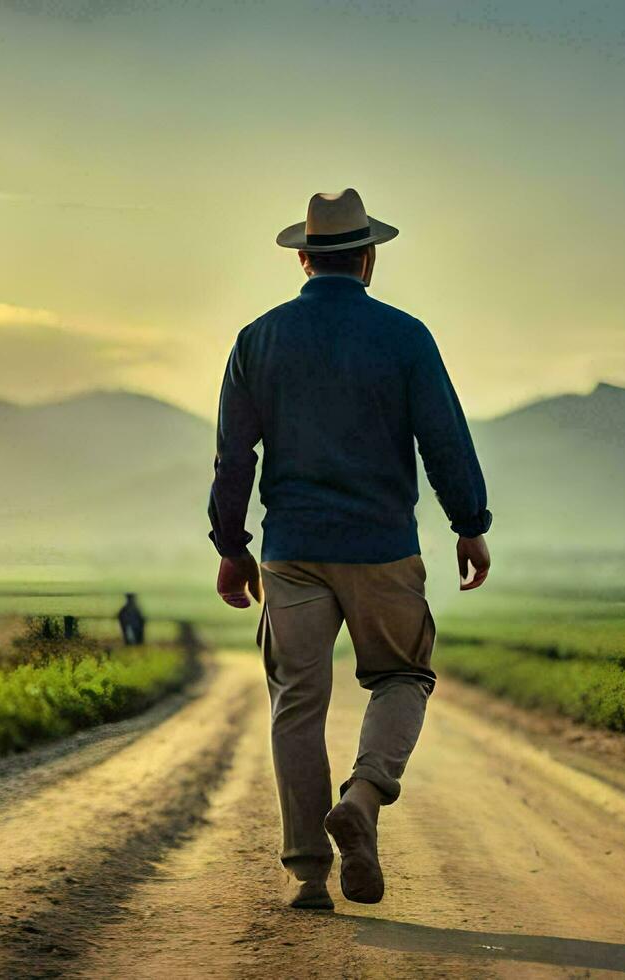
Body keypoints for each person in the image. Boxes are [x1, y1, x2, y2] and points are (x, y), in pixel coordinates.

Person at [207, 189, 492, 911]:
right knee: (402, 676)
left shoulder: (256, 339)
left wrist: (231, 545)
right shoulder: (405, 336)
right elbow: (445, 440)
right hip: (381, 548)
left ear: (303, 258)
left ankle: (308, 875)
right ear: (368, 259)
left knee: (296, 703)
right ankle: (362, 799)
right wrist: (470, 522)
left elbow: (232, 457)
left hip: (291, 549)